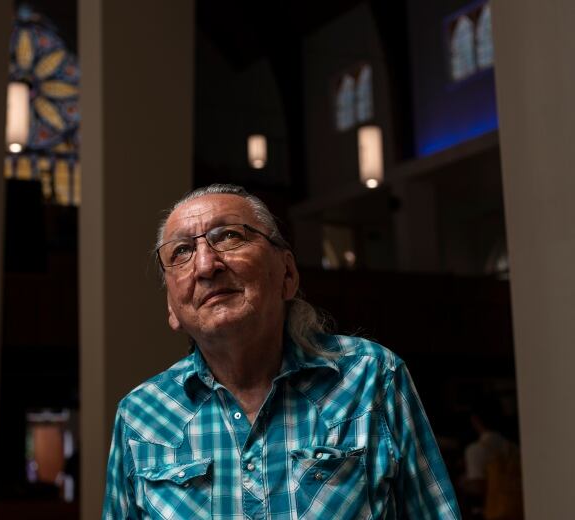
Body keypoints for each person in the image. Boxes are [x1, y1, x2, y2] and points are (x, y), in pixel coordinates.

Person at [103, 184, 461, 519]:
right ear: (171, 307)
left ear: (287, 273)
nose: (205, 265)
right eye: (182, 251)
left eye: (229, 236)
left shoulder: (371, 378)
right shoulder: (139, 416)